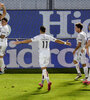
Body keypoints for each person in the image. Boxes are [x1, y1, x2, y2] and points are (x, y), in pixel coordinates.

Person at [13, 26, 71, 91]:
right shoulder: (48, 37)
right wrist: (65, 43)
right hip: (48, 53)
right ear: (45, 30)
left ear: (40, 30)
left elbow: (29, 40)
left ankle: (48, 82)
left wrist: (20, 42)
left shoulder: (38, 37)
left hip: (42, 54)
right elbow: (57, 41)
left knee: (43, 69)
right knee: (44, 69)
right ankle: (42, 83)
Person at [0, 3, 7, 74]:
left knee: (0, 56)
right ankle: (3, 66)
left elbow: (4, 13)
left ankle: (2, 69)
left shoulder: (4, 26)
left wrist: (3, 7)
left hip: (2, 42)